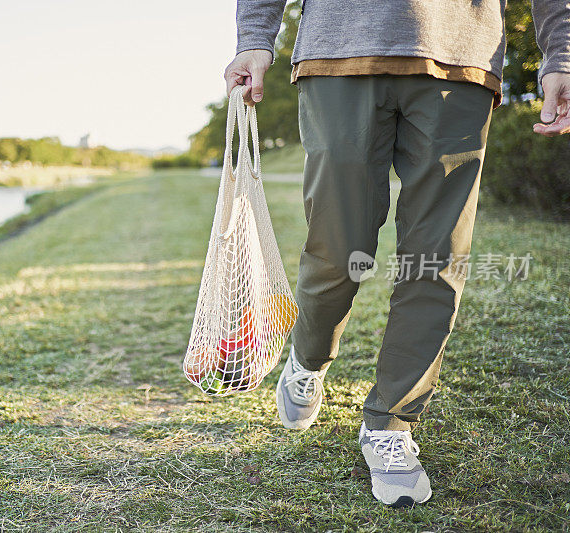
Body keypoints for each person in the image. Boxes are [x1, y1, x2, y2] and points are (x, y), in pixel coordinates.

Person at [225, 0, 570, 507]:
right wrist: (255, 37)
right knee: (339, 248)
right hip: (340, 53)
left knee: (437, 258)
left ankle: (391, 422)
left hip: (461, 59)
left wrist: (560, 54)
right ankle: (308, 356)